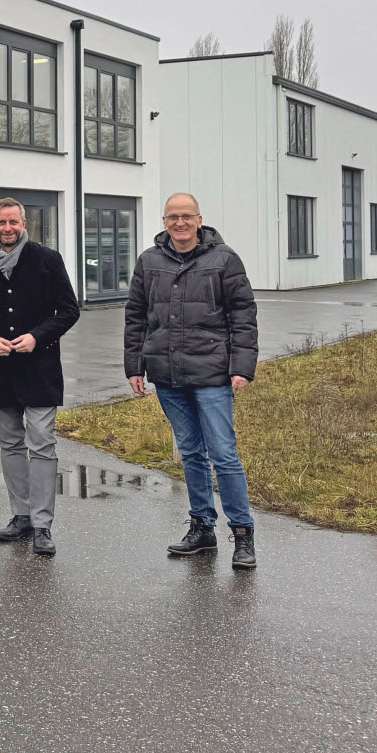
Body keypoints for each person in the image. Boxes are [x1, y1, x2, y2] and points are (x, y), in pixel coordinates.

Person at [124, 193, 260, 570]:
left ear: (199, 220)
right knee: (191, 453)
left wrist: (242, 366)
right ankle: (202, 527)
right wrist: (135, 367)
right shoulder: (149, 261)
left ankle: (243, 534)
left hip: (213, 374)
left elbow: (243, 315)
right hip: (167, 375)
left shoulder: (224, 259)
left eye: (186, 217)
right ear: (164, 221)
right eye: (172, 217)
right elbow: (136, 315)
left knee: (223, 453)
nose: (179, 223)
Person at [0, 198, 81, 557]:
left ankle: (42, 524)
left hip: (39, 368)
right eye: (1, 223)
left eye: (13, 222)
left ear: (24, 222)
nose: (7, 228)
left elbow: (69, 310)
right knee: (10, 445)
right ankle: (21, 516)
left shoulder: (48, 260)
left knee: (42, 444)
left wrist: (37, 336)